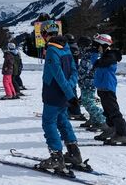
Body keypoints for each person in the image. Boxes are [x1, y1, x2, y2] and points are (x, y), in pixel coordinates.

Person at [38, 21, 83, 172]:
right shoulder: (66, 46)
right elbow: (74, 71)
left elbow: (59, 76)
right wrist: (70, 91)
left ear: (45, 34)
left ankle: (56, 157)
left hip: (54, 94)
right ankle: (74, 153)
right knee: (62, 121)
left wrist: (69, 94)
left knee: (48, 122)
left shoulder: (51, 50)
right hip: (64, 94)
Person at [92, 34, 126, 145]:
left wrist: (95, 55)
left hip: (107, 87)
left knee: (114, 111)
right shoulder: (105, 55)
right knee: (108, 112)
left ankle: (123, 134)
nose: (96, 48)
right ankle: (111, 129)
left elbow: (98, 63)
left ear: (104, 45)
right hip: (102, 87)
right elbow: (95, 63)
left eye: (97, 45)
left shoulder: (110, 56)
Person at [77, 36, 107, 131]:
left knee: (88, 102)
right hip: (86, 82)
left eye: (80, 47)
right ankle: (94, 119)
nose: (79, 49)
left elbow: (87, 69)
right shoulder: (88, 53)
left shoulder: (90, 55)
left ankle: (103, 120)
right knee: (89, 101)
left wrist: (81, 77)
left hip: (88, 82)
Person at [65, 34, 86, 121]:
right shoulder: (75, 47)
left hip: (68, 71)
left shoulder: (68, 48)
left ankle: (73, 111)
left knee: (68, 92)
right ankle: (75, 111)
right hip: (74, 71)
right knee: (73, 92)